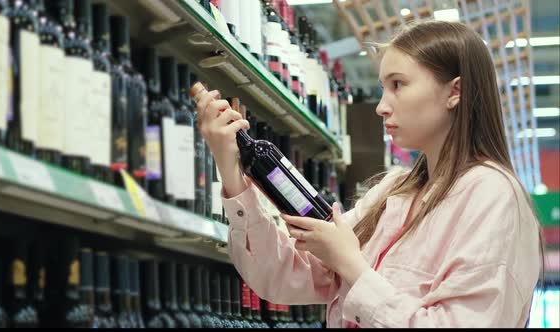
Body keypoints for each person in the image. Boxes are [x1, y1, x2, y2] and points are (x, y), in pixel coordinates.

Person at [193, 19, 544, 328]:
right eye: (382, 87)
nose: (380, 106)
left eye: (398, 84)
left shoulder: (491, 196)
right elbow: (280, 277)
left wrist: (350, 264)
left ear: (455, 91)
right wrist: (230, 169)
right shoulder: (393, 191)